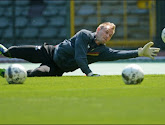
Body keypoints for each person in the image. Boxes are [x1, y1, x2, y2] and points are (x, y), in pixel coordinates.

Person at [0, 22, 160, 77]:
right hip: (48, 51)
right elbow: (80, 56)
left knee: (36, 74)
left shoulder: (101, 51)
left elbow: (118, 54)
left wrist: (139, 52)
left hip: (57, 67)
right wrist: (88, 73)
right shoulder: (84, 35)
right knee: (10, 51)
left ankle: (5, 73)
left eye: (110, 35)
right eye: (106, 32)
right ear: (98, 29)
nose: (108, 36)